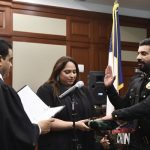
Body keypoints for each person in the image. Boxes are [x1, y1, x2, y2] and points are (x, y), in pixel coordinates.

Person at [36, 56, 102, 150]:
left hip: (83, 142)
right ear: (58, 72)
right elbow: (44, 121)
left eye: (74, 72)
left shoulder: (83, 90)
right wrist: (74, 125)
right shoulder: (46, 90)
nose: (72, 75)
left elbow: (91, 114)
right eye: (67, 72)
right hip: (57, 144)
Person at [0, 39, 54, 150]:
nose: (11, 65)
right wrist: (39, 128)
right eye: (10, 60)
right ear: (0, 60)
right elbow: (16, 134)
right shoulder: (3, 91)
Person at [98, 38, 150, 149]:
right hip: (135, 142)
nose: (138, 57)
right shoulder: (136, 80)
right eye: (138, 53)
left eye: (144, 54)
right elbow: (123, 106)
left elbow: (146, 106)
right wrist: (109, 88)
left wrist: (114, 115)